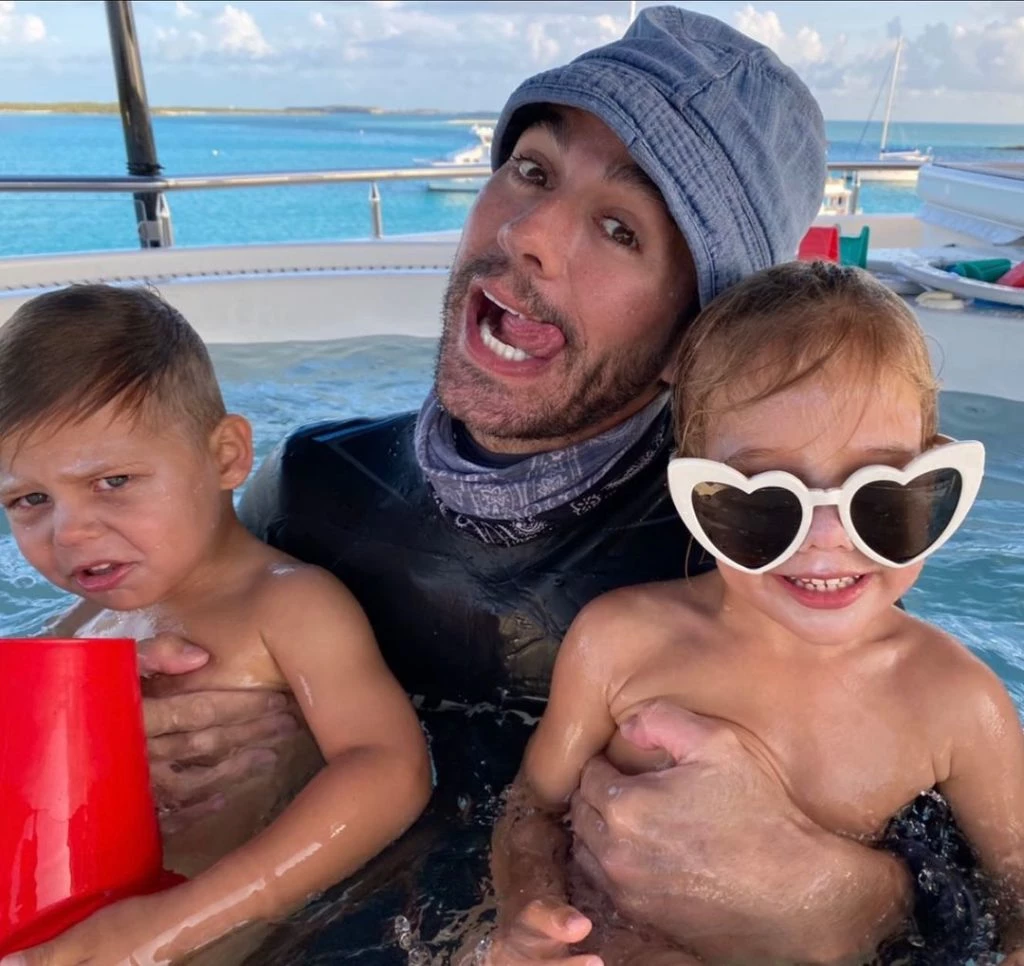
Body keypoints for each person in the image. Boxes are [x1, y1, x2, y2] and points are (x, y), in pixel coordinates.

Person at [52, 8, 992, 964]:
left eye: (620, 229)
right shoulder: (314, 487)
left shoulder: (756, 551)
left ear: (695, 340)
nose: (528, 231)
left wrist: (840, 901)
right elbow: (122, 633)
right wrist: (137, 711)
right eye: (533, 171)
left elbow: (964, 863)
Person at [489, 261, 1024, 965]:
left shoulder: (956, 702)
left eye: (879, 496)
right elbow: (533, 806)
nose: (827, 540)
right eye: (767, 501)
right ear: (692, 491)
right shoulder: (619, 642)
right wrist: (527, 914)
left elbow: (1015, 889)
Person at [0, 285, 432, 966]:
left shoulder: (287, 605)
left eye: (113, 482)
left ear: (227, 456)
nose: (69, 531)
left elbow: (389, 769)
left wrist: (170, 926)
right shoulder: (79, 621)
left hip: (207, 929)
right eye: (30, 499)